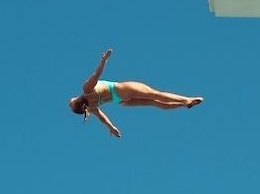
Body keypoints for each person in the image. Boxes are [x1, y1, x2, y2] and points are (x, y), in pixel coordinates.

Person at [68, 49, 203, 138]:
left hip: (121, 102)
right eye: (70, 103)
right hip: (122, 90)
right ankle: (186, 100)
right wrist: (103, 60)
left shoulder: (91, 107)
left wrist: (111, 128)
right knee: (156, 95)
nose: (69, 102)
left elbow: (102, 118)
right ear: (76, 101)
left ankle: (183, 105)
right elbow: (96, 74)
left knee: (153, 103)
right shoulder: (86, 89)